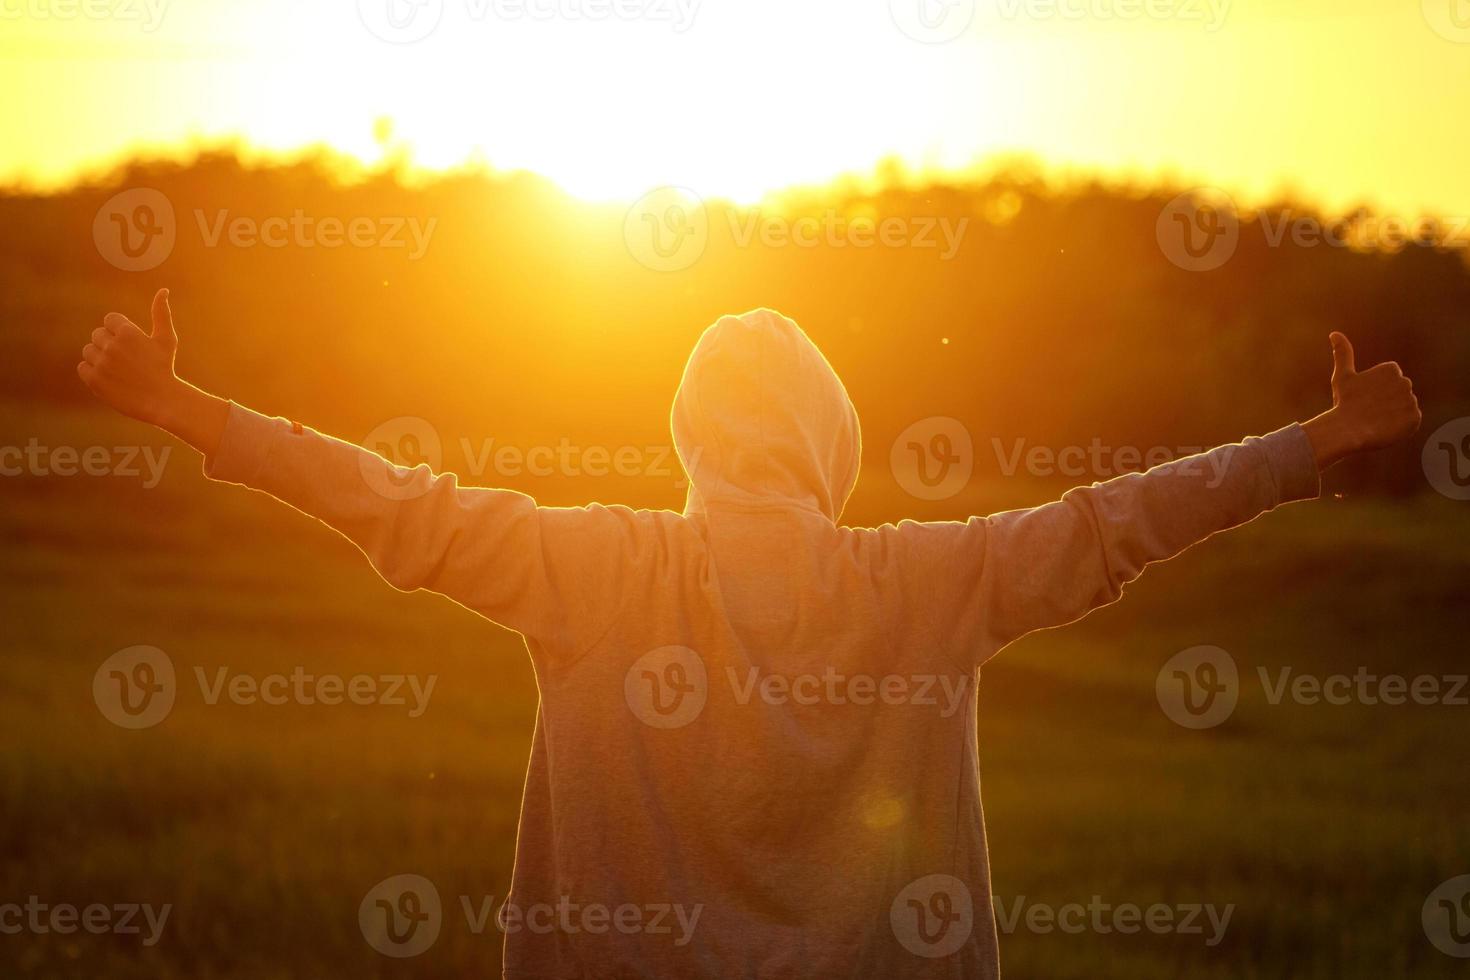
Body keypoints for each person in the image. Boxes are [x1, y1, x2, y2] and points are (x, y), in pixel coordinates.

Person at [78, 288, 1421, 978]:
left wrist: (188, 405)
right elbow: (1111, 519)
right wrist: (1314, 442)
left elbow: (389, 498)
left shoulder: (589, 567)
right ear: (826, 446)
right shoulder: (921, 582)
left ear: (688, 439)